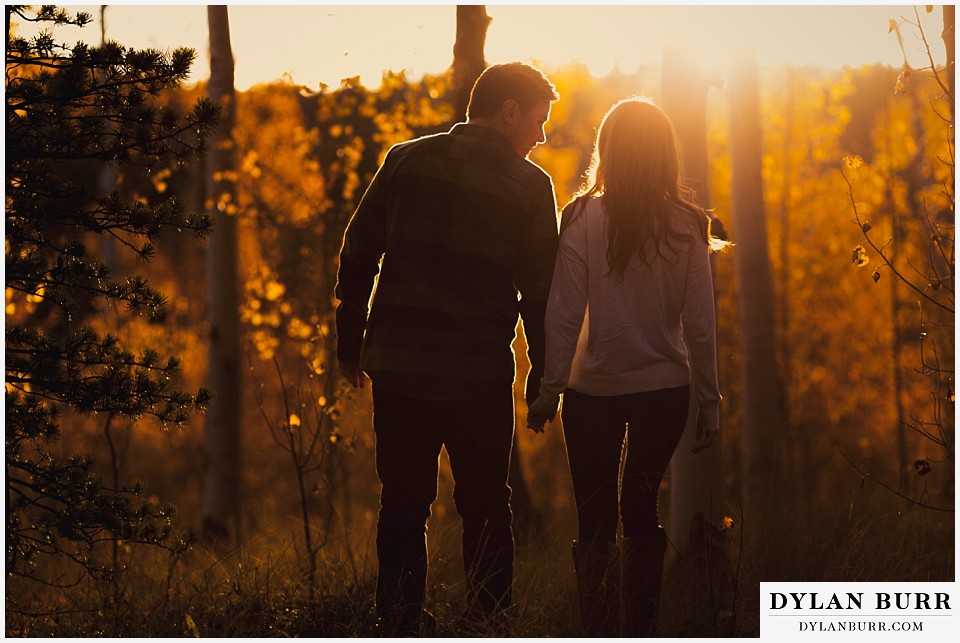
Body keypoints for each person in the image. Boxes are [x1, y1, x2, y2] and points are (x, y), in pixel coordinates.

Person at [335, 62, 559, 636]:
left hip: (399, 366)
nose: (540, 136)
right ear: (509, 111)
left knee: (403, 505)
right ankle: (489, 622)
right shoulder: (530, 186)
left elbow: (358, 252)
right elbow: (540, 294)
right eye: (537, 121)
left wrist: (349, 344)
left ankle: (400, 622)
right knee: (486, 507)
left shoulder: (405, 160)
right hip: (477, 376)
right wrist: (543, 376)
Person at [527, 97, 729, 637]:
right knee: (640, 505)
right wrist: (709, 402)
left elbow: (564, 314)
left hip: (591, 391)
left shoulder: (580, 217)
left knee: (594, 514)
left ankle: (598, 628)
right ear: (666, 154)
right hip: (666, 390)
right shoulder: (689, 223)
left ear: (607, 151)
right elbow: (700, 324)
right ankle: (638, 627)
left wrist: (548, 393)